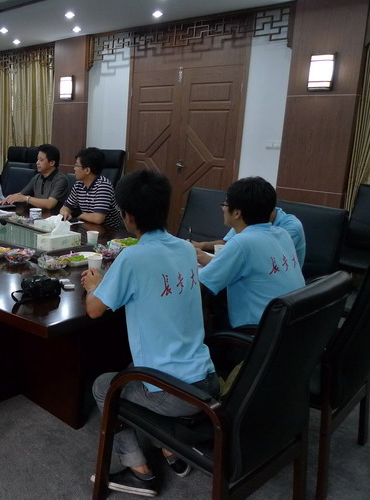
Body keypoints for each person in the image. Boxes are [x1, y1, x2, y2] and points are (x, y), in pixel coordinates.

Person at [82, 169, 218, 497]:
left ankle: (139, 471)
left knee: (104, 386)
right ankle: (172, 448)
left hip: (175, 393)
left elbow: (94, 310)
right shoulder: (185, 248)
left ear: (128, 216)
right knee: (130, 370)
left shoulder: (133, 256)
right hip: (207, 378)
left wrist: (94, 285)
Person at [197, 176, 306, 330]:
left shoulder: (242, 243)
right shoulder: (282, 234)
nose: (223, 208)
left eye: (225, 204)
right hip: (289, 328)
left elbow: (200, 285)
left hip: (256, 333)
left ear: (237, 213)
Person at [191, 206, 306, 268]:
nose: (223, 208)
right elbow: (228, 242)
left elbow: (258, 260)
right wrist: (202, 245)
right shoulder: (252, 221)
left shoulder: (289, 229)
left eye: (225, 204)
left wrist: (212, 261)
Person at [60, 147, 123, 228]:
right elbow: (65, 207)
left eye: (77, 165)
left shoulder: (103, 186)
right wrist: (65, 212)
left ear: (87, 170)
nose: (74, 168)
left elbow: (98, 218)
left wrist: (81, 216)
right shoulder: (79, 184)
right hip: (89, 226)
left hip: (109, 230)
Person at [0, 143, 69, 211]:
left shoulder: (61, 180)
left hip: (53, 216)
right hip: (36, 214)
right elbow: (21, 194)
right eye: (37, 159)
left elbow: (50, 204)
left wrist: (26, 198)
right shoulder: (37, 177)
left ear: (52, 163)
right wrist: (11, 197)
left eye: (41, 160)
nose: (37, 163)